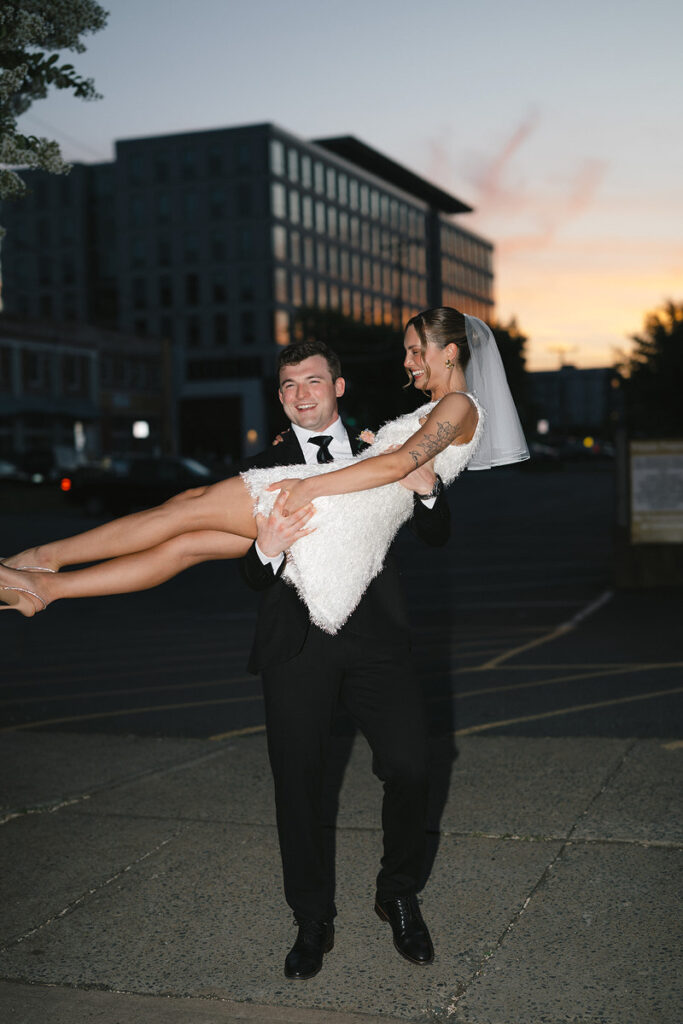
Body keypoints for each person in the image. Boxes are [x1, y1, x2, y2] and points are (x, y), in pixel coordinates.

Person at [0, 308, 528, 975]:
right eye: (288, 384)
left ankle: (396, 896)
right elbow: (383, 465)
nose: (405, 362)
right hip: (307, 584)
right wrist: (276, 537)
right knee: (189, 530)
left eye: (412, 350)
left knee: (411, 768)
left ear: (449, 351)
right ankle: (45, 577)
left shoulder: (454, 404)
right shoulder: (369, 427)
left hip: (350, 569)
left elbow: (403, 467)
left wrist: (347, 486)